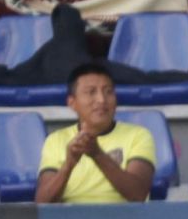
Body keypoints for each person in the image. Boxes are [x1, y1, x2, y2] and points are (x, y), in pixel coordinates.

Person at [38, 64, 157, 204]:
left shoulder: (139, 135)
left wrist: (97, 154)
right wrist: (68, 165)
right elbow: (42, 203)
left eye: (108, 92)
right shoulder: (55, 140)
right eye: (91, 92)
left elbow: (138, 194)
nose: (101, 100)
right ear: (72, 103)